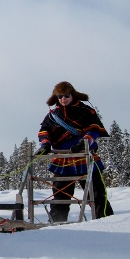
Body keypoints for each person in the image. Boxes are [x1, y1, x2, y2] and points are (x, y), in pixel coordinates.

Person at [34, 81, 114, 222]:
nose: (63, 99)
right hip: (62, 160)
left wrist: (84, 143)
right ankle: (57, 224)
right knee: (60, 196)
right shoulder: (53, 115)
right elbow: (44, 131)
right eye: (59, 97)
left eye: (66, 95)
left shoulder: (85, 111)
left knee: (97, 195)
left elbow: (94, 129)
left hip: (84, 157)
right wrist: (45, 145)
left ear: (72, 95)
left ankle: (107, 222)